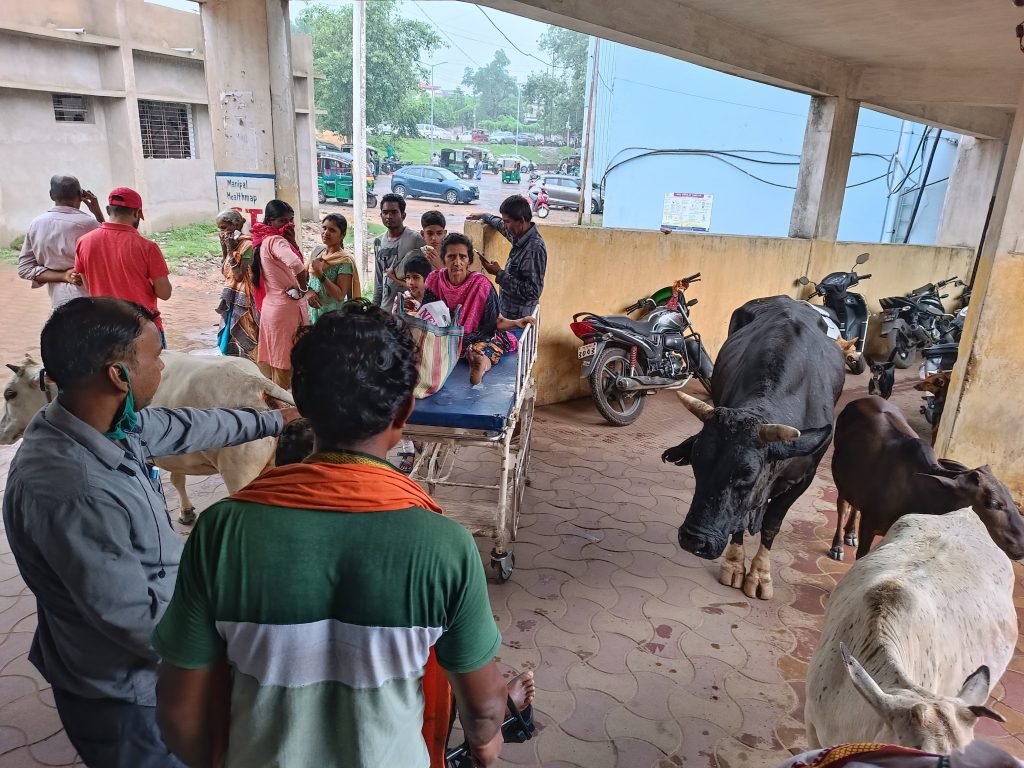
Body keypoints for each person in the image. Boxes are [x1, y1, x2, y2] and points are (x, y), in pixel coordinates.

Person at [153, 301, 534, 768]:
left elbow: (178, 714)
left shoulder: (221, 531)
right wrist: (486, 747)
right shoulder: (446, 546)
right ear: (404, 413)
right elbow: (485, 710)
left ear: (300, 405)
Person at [2, 297, 295, 768]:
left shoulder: (106, 425)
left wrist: (275, 419)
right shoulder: (74, 491)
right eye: (157, 356)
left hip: (146, 668)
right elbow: (138, 623)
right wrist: (248, 643)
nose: (164, 366)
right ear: (118, 375)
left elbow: (184, 425)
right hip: (127, 696)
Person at [425, 233, 534, 385]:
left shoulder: (481, 284)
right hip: (443, 339)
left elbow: (495, 322)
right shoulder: (433, 280)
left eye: (462, 257)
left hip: (475, 341)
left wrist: (517, 322)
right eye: (451, 257)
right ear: (443, 259)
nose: (457, 262)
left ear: (469, 260)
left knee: (487, 347)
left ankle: (479, 365)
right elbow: (427, 316)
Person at [74, 187, 172, 347]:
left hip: (105, 329)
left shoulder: (84, 242)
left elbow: (89, 286)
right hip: (142, 330)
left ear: (108, 210)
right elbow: (165, 293)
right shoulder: (147, 247)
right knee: (153, 364)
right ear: (137, 213)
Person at [251, 199, 318, 389]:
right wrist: (305, 290)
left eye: (291, 220)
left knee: (276, 362)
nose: (288, 225)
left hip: (272, 307)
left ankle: (276, 402)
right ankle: (284, 405)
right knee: (286, 365)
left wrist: (293, 242)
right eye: (282, 221)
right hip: (286, 310)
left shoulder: (263, 240)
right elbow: (297, 265)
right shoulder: (276, 240)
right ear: (270, 221)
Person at [18, 174, 104, 309]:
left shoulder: (37, 224)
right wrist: (97, 212)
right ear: (81, 195)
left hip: (58, 302)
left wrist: (62, 276)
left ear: (51, 195)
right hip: (91, 301)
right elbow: (110, 250)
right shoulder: (90, 224)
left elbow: (25, 269)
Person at [467, 195, 547, 321]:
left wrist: (499, 273)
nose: (505, 225)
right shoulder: (519, 236)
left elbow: (533, 292)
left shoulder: (534, 249)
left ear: (521, 220)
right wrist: (484, 216)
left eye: (507, 222)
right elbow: (499, 225)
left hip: (520, 321)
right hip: (507, 315)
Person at [214, 209, 260, 360]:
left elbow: (239, 276)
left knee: (245, 334)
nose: (222, 232)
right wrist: (225, 248)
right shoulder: (232, 243)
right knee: (229, 339)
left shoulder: (247, 245)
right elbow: (225, 269)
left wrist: (230, 250)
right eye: (220, 229)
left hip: (244, 299)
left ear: (236, 225)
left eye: (224, 228)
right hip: (232, 297)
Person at [372, 193, 426, 311]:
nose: (389, 216)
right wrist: (374, 309)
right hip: (385, 310)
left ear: (403, 215)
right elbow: (379, 280)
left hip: (408, 311)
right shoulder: (378, 242)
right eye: (385, 212)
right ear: (381, 215)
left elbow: (428, 277)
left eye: (394, 212)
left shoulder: (415, 240)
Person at [308, 213, 361, 323]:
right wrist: (309, 292)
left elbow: (340, 295)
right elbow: (303, 278)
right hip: (312, 313)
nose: (326, 233)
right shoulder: (317, 252)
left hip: (333, 319)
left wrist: (320, 273)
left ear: (342, 235)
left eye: (332, 230)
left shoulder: (344, 261)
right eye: (324, 228)